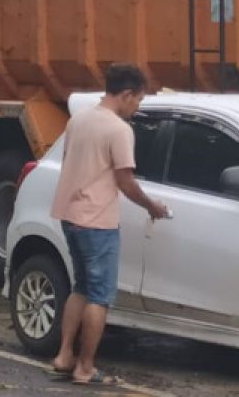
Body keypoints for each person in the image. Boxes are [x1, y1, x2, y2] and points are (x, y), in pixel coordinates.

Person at [49, 63, 168, 386]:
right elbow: (125, 181)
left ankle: (64, 355)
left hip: (70, 216)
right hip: (97, 221)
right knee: (99, 297)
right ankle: (85, 367)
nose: (137, 107)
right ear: (127, 94)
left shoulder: (79, 119)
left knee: (80, 287)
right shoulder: (118, 130)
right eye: (138, 101)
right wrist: (152, 206)